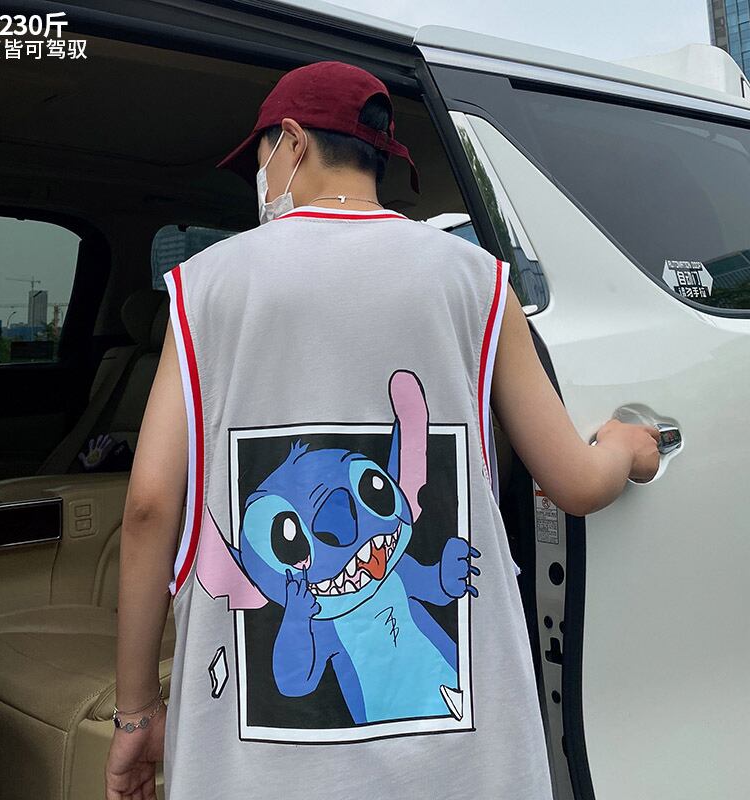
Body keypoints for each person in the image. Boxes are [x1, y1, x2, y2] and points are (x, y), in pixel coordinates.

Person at [104, 60, 660, 800]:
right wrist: (628, 445)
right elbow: (577, 483)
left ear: (292, 142)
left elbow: (148, 507)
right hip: (458, 768)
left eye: (258, 160)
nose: (257, 183)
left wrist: (138, 711)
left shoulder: (204, 286)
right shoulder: (478, 281)